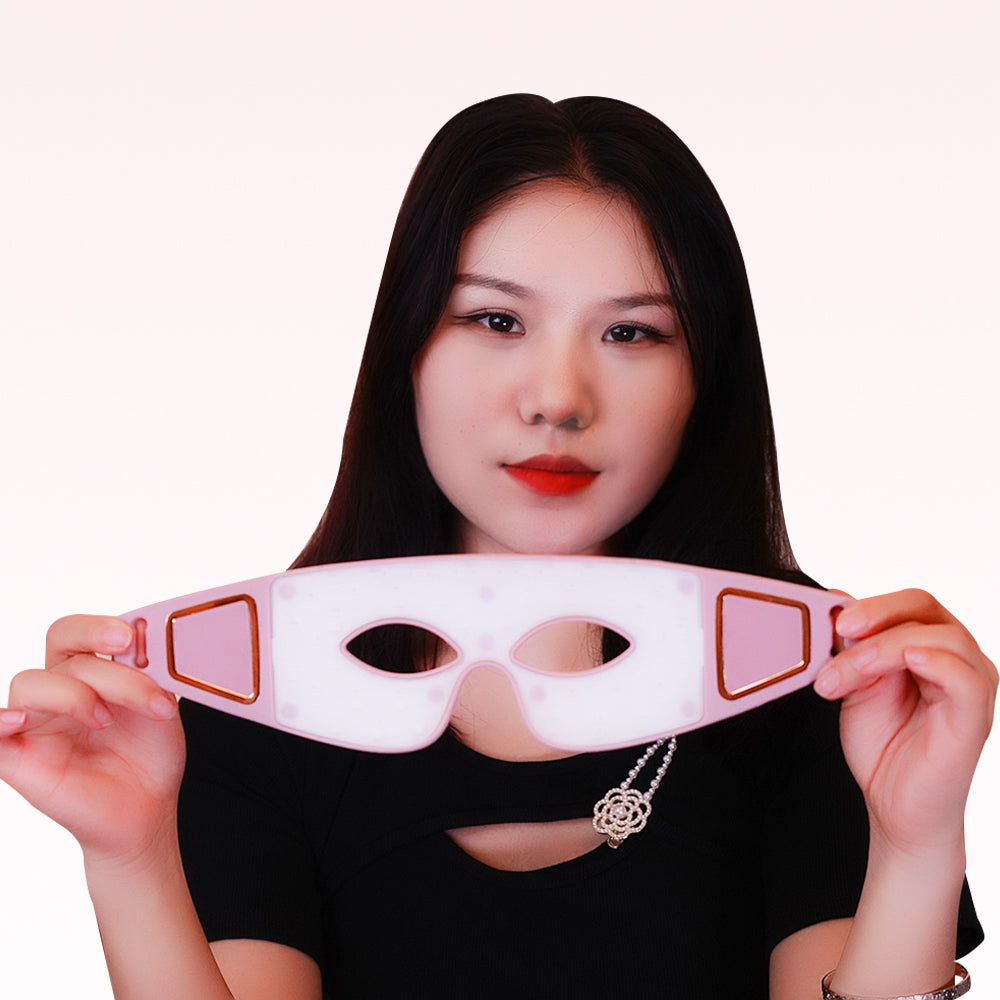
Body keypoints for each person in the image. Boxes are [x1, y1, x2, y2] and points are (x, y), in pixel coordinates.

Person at [0, 94, 994, 1000]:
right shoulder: (251, 698)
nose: (557, 398)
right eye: (496, 319)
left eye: (633, 334)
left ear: (706, 380)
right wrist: (130, 857)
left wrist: (916, 844)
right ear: (407, 353)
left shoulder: (823, 688)